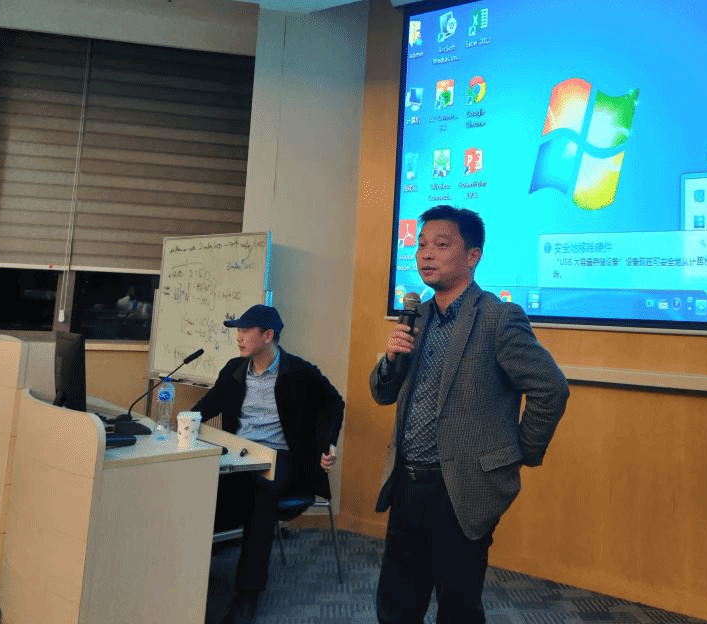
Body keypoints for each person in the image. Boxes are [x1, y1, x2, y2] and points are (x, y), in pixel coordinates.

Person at [370, 206, 569, 624]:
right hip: (407, 482)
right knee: (396, 605)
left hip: (461, 489)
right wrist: (390, 358)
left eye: (441, 245)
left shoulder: (498, 317)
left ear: (473, 255)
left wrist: (519, 453)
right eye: (422, 245)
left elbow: (550, 388)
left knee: (458, 608)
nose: (426, 254)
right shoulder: (416, 316)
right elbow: (382, 393)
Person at [193, 304, 344, 624]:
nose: (239, 337)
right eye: (238, 331)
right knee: (198, 487)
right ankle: (191, 576)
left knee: (260, 496)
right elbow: (209, 404)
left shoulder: (299, 372)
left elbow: (334, 402)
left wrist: (328, 443)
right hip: (239, 454)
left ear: (267, 336)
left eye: (246, 331)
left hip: (281, 459)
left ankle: (248, 594)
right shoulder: (234, 369)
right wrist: (183, 421)